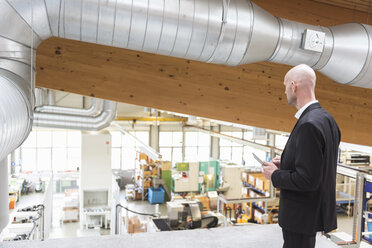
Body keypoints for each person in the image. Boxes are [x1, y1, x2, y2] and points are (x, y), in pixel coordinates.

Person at [262, 64, 341, 248]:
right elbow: (318, 163)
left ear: (293, 86)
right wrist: (288, 162)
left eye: (285, 86)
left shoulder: (308, 124)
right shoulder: (326, 119)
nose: (285, 91)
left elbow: (308, 180)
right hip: (311, 213)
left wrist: (274, 174)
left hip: (301, 216)